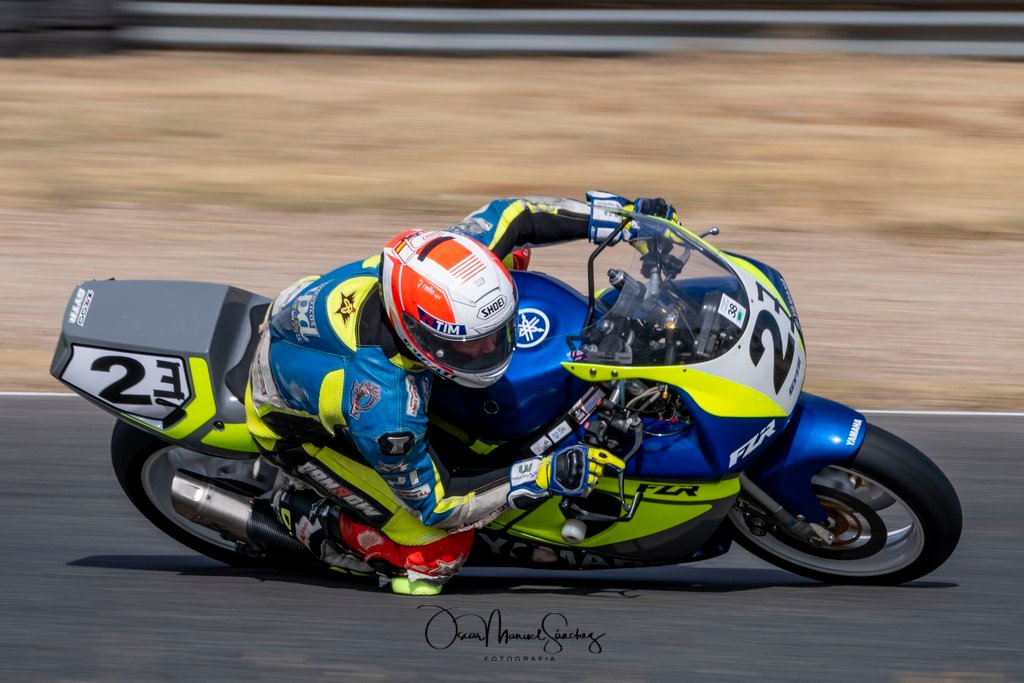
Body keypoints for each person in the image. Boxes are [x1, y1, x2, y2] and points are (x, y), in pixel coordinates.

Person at [245, 191, 676, 595]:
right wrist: (542, 475)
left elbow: (516, 215)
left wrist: (620, 219)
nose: (491, 347)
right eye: (472, 343)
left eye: (495, 333)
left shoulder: (440, 264)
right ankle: (307, 516)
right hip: (293, 426)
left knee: (511, 257)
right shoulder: (386, 409)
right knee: (437, 555)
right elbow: (440, 504)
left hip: (305, 320)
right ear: (420, 337)